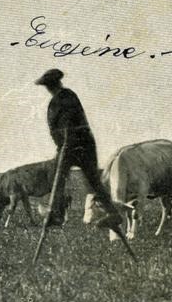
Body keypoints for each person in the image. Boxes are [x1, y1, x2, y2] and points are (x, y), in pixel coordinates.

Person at [34, 68, 124, 234]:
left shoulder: (65, 98)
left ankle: (56, 213)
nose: (48, 88)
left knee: (59, 175)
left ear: (53, 84)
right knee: (92, 181)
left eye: (48, 85)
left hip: (75, 146)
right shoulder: (61, 98)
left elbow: (68, 126)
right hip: (78, 146)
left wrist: (65, 148)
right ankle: (112, 213)